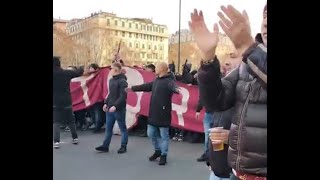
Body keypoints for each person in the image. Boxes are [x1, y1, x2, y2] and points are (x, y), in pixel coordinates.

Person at [189, 4, 267, 179]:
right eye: (265, 17)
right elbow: (215, 101)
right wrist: (208, 58)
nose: (266, 23)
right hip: (239, 173)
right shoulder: (246, 65)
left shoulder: (251, 55)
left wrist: (248, 47)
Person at [128, 62, 179, 165]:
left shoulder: (169, 81)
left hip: (163, 114)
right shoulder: (156, 81)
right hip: (153, 113)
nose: (155, 69)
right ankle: (157, 150)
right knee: (151, 133)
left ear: (162, 69)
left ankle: (164, 155)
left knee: (164, 135)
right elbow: (146, 86)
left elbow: (173, 86)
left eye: (157, 67)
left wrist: (176, 89)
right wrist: (133, 89)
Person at [95, 62, 129, 154]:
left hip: (119, 109)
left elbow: (123, 96)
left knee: (122, 128)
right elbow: (110, 94)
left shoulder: (123, 82)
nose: (110, 70)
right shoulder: (111, 80)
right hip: (110, 108)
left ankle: (123, 146)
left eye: (111, 69)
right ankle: (105, 146)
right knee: (108, 128)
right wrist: (106, 103)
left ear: (116, 70)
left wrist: (115, 106)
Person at [53, 56, 85, 149]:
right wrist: (81, 67)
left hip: (55, 100)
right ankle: (75, 138)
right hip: (67, 99)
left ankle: (56, 142)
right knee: (70, 120)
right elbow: (79, 73)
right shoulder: (66, 73)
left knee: (56, 121)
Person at [207, 108, 234, 180]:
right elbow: (211, 136)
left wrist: (232, 137)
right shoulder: (220, 108)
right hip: (216, 168)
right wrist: (209, 161)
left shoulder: (244, 107)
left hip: (234, 171)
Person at [195, 98, 214, 162]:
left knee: (209, 135)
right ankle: (207, 154)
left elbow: (202, 97)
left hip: (213, 112)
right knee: (208, 135)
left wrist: (198, 110)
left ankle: (209, 154)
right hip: (212, 112)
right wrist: (198, 109)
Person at [87, 63, 104, 133]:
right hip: (91, 98)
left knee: (97, 112)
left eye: (91, 68)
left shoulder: (99, 75)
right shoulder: (88, 76)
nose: (90, 69)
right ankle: (95, 124)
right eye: (89, 68)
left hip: (98, 98)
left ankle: (97, 126)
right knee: (92, 112)